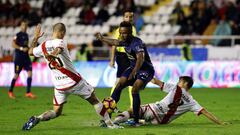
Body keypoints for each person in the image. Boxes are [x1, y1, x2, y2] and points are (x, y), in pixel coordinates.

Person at [22, 23, 123, 130]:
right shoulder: (61, 42)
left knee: (56, 111)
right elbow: (58, 49)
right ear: (62, 33)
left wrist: (36, 38)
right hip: (74, 81)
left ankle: (38, 118)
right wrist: (54, 54)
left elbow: (30, 52)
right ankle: (110, 124)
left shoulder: (43, 46)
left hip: (59, 86)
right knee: (94, 100)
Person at [95, 21, 155, 126]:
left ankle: (136, 121)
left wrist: (134, 71)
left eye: (125, 33)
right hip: (132, 68)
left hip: (145, 70)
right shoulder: (124, 40)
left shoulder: (137, 42)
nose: (122, 35)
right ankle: (107, 117)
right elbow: (115, 42)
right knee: (119, 84)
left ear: (130, 32)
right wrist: (102, 38)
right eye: (121, 33)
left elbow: (140, 58)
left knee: (135, 88)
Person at [114, 76, 229, 126]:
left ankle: (114, 122)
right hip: (162, 121)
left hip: (154, 109)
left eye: (180, 81)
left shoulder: (176, 88)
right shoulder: (192, 102)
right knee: (143, 122)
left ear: (184, 84)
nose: (178, 82)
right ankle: (139, 121)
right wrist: (220, 122)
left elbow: (156, 82)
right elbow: (205, 112)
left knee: (132, 110)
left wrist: (146, 74)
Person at [110, 9, 137, 108]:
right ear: (123, 17)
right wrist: (112, 59)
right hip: (122, 57)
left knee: (129, 82)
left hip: (130, 57)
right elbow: (114, 44)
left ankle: (113, 104)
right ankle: (112, 103)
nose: (128, 18)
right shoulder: (120, 30)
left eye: (130, 17)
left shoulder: (133, 29)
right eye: (127, 16)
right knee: (121, 82)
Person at [8, 20, 36, 99]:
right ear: (20, 26)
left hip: (26, 58)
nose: (25, 27)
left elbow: (25, 45)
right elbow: (13, 44)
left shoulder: (26, 35)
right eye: (23, 25)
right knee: (16, 75)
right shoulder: (18, 35)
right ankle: (10, 91)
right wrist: (21, 48)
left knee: (30, 73)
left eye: (26, 25)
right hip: (19, 58)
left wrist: (28, 48)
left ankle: (28, 92)